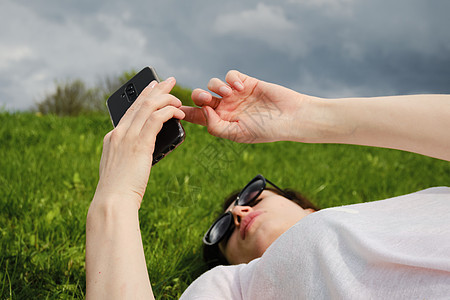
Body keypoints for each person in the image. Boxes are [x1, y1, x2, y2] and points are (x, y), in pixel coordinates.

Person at [85, 71, 450, 299]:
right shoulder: (235, 286)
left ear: (308, 207)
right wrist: (115, 199)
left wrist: (304, 117)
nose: (240, 211)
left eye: (251, 195)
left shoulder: (411, 205)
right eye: (221, 229)